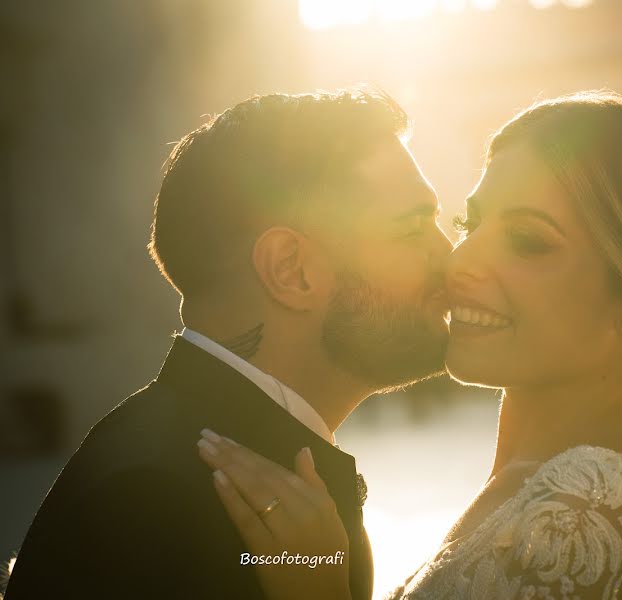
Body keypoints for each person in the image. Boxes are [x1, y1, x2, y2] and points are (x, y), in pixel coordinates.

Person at [199, 92, 622, 599]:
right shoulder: (551, 488)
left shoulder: (612, 516)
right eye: (473, 222)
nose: (461, 262)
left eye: (528, 241)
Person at [4, 89, 452, 600]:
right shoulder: (157, 504)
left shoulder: (200, 463)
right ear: (292, 269)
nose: (450, 255)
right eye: (414, 228)